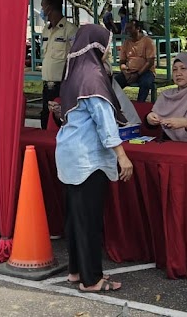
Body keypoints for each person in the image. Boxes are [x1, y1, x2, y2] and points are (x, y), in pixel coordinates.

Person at [56, 24, 133, 292]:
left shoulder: (74, 72)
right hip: (87, 157)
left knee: (76, 218)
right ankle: (92, 279)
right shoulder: (93, 76)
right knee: (89, 220)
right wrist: (122, 156)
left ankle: (77, 271)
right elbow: (105, 122)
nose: (110, 49)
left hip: (70, 154)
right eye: (108, 44)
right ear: (97, 45)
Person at [145, 53, 187, 143]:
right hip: (169, 146)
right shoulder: (167, 95)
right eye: (174, 69)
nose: (178, 73)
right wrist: (149, 119)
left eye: (183, 68)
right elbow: (152, 124)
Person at [39, 0, 78, 129]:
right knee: (45, 118)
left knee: (61, 121)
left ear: (50, 7)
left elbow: (76, 57)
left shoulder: (70, 30)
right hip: (46, 85)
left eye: (43, 6)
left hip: (62, 86)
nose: (42, 10)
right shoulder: (46, 29)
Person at [114, 19, 156, 103]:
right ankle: (118, 105)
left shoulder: (148, 41)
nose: (127, 31)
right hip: (129, 72)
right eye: (127, 28)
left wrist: (137, 74)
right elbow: (122, 61)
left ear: (138, 28)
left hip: (145, 72)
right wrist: (125, 72)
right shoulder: (126, 43)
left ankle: (140, 105)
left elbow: (150, 62)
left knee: (145, 83)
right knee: (114, 83)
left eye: (130, 28)